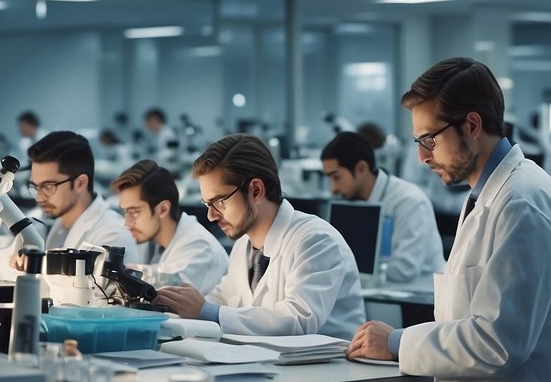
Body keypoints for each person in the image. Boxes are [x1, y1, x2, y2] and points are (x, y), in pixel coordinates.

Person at [346, 57, 551, 382]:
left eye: (429, 139)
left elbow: (498, 342)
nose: (422, 157)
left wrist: (397, 342)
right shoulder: (483, 197)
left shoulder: (522, 203)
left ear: (472, 125)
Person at [154, 134, 364, 339]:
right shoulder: (244, 245)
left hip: (328, 362)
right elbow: (225, 299)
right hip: (266, 359)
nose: (211, 216)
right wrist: (180, 305)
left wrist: (205, 311)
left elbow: (298, 320)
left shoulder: (316, 240)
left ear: (256, 190)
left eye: (219, 202)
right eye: (207, 204)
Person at [0, 131, 139, 278]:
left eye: (48, 187)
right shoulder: (61, 223)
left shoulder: (112, 236)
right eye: (34, 187)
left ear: (80, 183)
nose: (39, 198)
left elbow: (88, 291)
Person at [320, 131, 444, 283]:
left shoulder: (409, 201)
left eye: (336, 177)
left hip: (421, 292)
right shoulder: (349, 199)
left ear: (361, 169)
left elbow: (405, 270)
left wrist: (348, 266)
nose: (333, 188)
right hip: (375, 289)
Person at [111, 159, 228, 295]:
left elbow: (171, 286)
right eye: (125, 212)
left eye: (134, 212)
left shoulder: (200, 247)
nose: (127, 223)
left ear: (163, 209)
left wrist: (119, 271)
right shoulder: (155, 243)